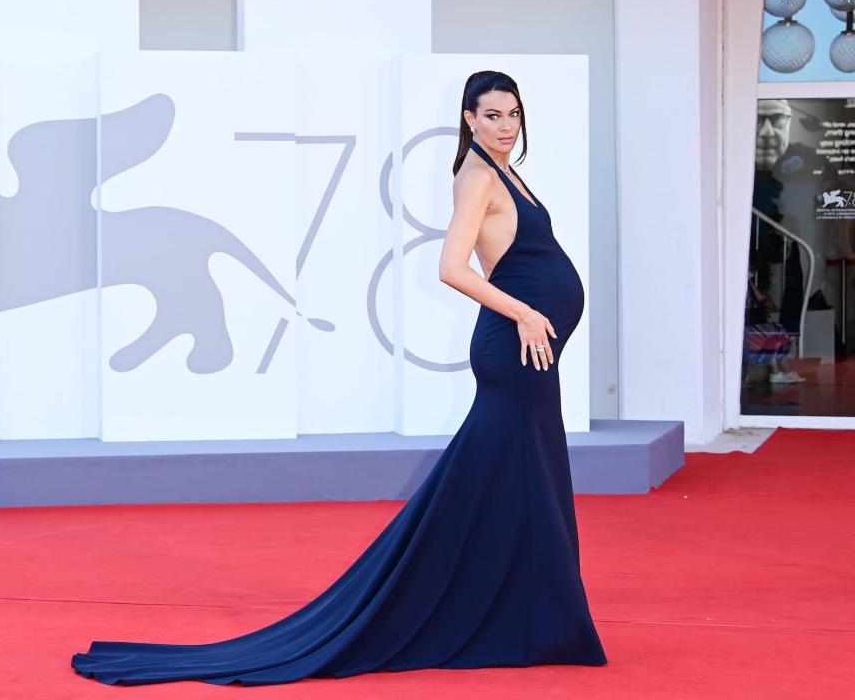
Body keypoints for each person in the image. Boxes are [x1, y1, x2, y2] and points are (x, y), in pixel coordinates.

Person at [71, 70, 608, 686]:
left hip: (534, 350)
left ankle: (530, 615)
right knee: (508, 480)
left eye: (513, 114)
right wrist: (524, 312)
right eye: (492, 115)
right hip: (513, 349)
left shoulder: (508, 171)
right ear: (469, 119)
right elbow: (450, 268)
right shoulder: (478, 177)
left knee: (521, 481)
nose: (506, 126)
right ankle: (512, 615)